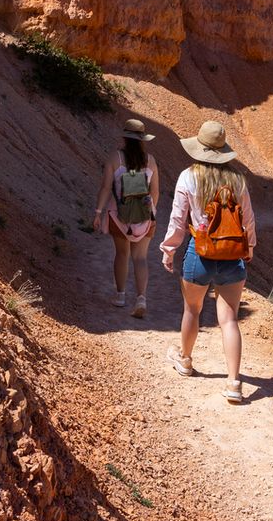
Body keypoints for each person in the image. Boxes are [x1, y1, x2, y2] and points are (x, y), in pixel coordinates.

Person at [158, 119, 257, 403]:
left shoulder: (188, 177)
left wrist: (168, 249)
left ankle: (186, 359)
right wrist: (248, 247)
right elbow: (247, 220)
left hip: (199, 252)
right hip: (232, 257)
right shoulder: (238, 180)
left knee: (192, 310)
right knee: (229, 319)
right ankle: (234, 382)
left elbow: (178, 219)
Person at [92, 118, 160, 317]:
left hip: (118, 215)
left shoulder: (116, 158)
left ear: (125, 137)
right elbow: (155, 192)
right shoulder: (151, 160)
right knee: (140, 258)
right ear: (142, 139)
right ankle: (141, 298)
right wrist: (150, 213)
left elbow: (105, 187)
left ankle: (120, 296)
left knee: (122, 254)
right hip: (145, 216)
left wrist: (98, 213)